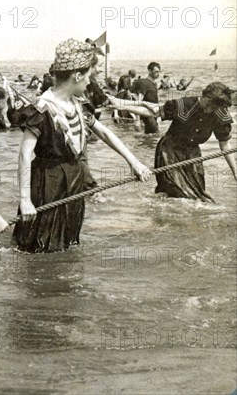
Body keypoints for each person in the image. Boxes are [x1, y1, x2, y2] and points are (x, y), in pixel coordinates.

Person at [13, 39, 151, 253]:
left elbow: (104, 133)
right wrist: (25, 200)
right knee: (39, 243)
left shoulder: (78, 104)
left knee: (68, 241)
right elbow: (24, 154)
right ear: (77, 76)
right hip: (48, 181)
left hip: (74, 177)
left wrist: (134, 162)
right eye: (88, 77)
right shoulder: (41, 108)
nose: (89, 83)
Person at [108, 82, 236, 202]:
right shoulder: (183, 105)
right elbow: (153, 111)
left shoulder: (219, 112)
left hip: (192, 153)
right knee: (177, 193)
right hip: (170, 150)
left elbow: (225, 144)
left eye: (215, 108)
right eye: (210, 106)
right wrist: (122, 105)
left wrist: (235, 173)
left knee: (197, 196)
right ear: (204, 97)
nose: (210, 110)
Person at [132, 62, 161, 134]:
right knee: (153, 134)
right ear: (150, 71)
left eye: (159, 72)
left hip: (153, 113)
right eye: (156, 72)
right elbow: (139, 101)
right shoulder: (145, 83)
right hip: (146, 113)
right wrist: (137, 120)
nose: (158, 74)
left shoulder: (153, 83)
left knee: (151, 136)